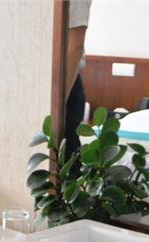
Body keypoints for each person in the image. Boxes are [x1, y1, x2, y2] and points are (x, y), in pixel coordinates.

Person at [64, 0, 91, 161]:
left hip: (66, 82)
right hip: (42, 80)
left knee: (66, 158)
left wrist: (59, 100)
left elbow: (75, 47)